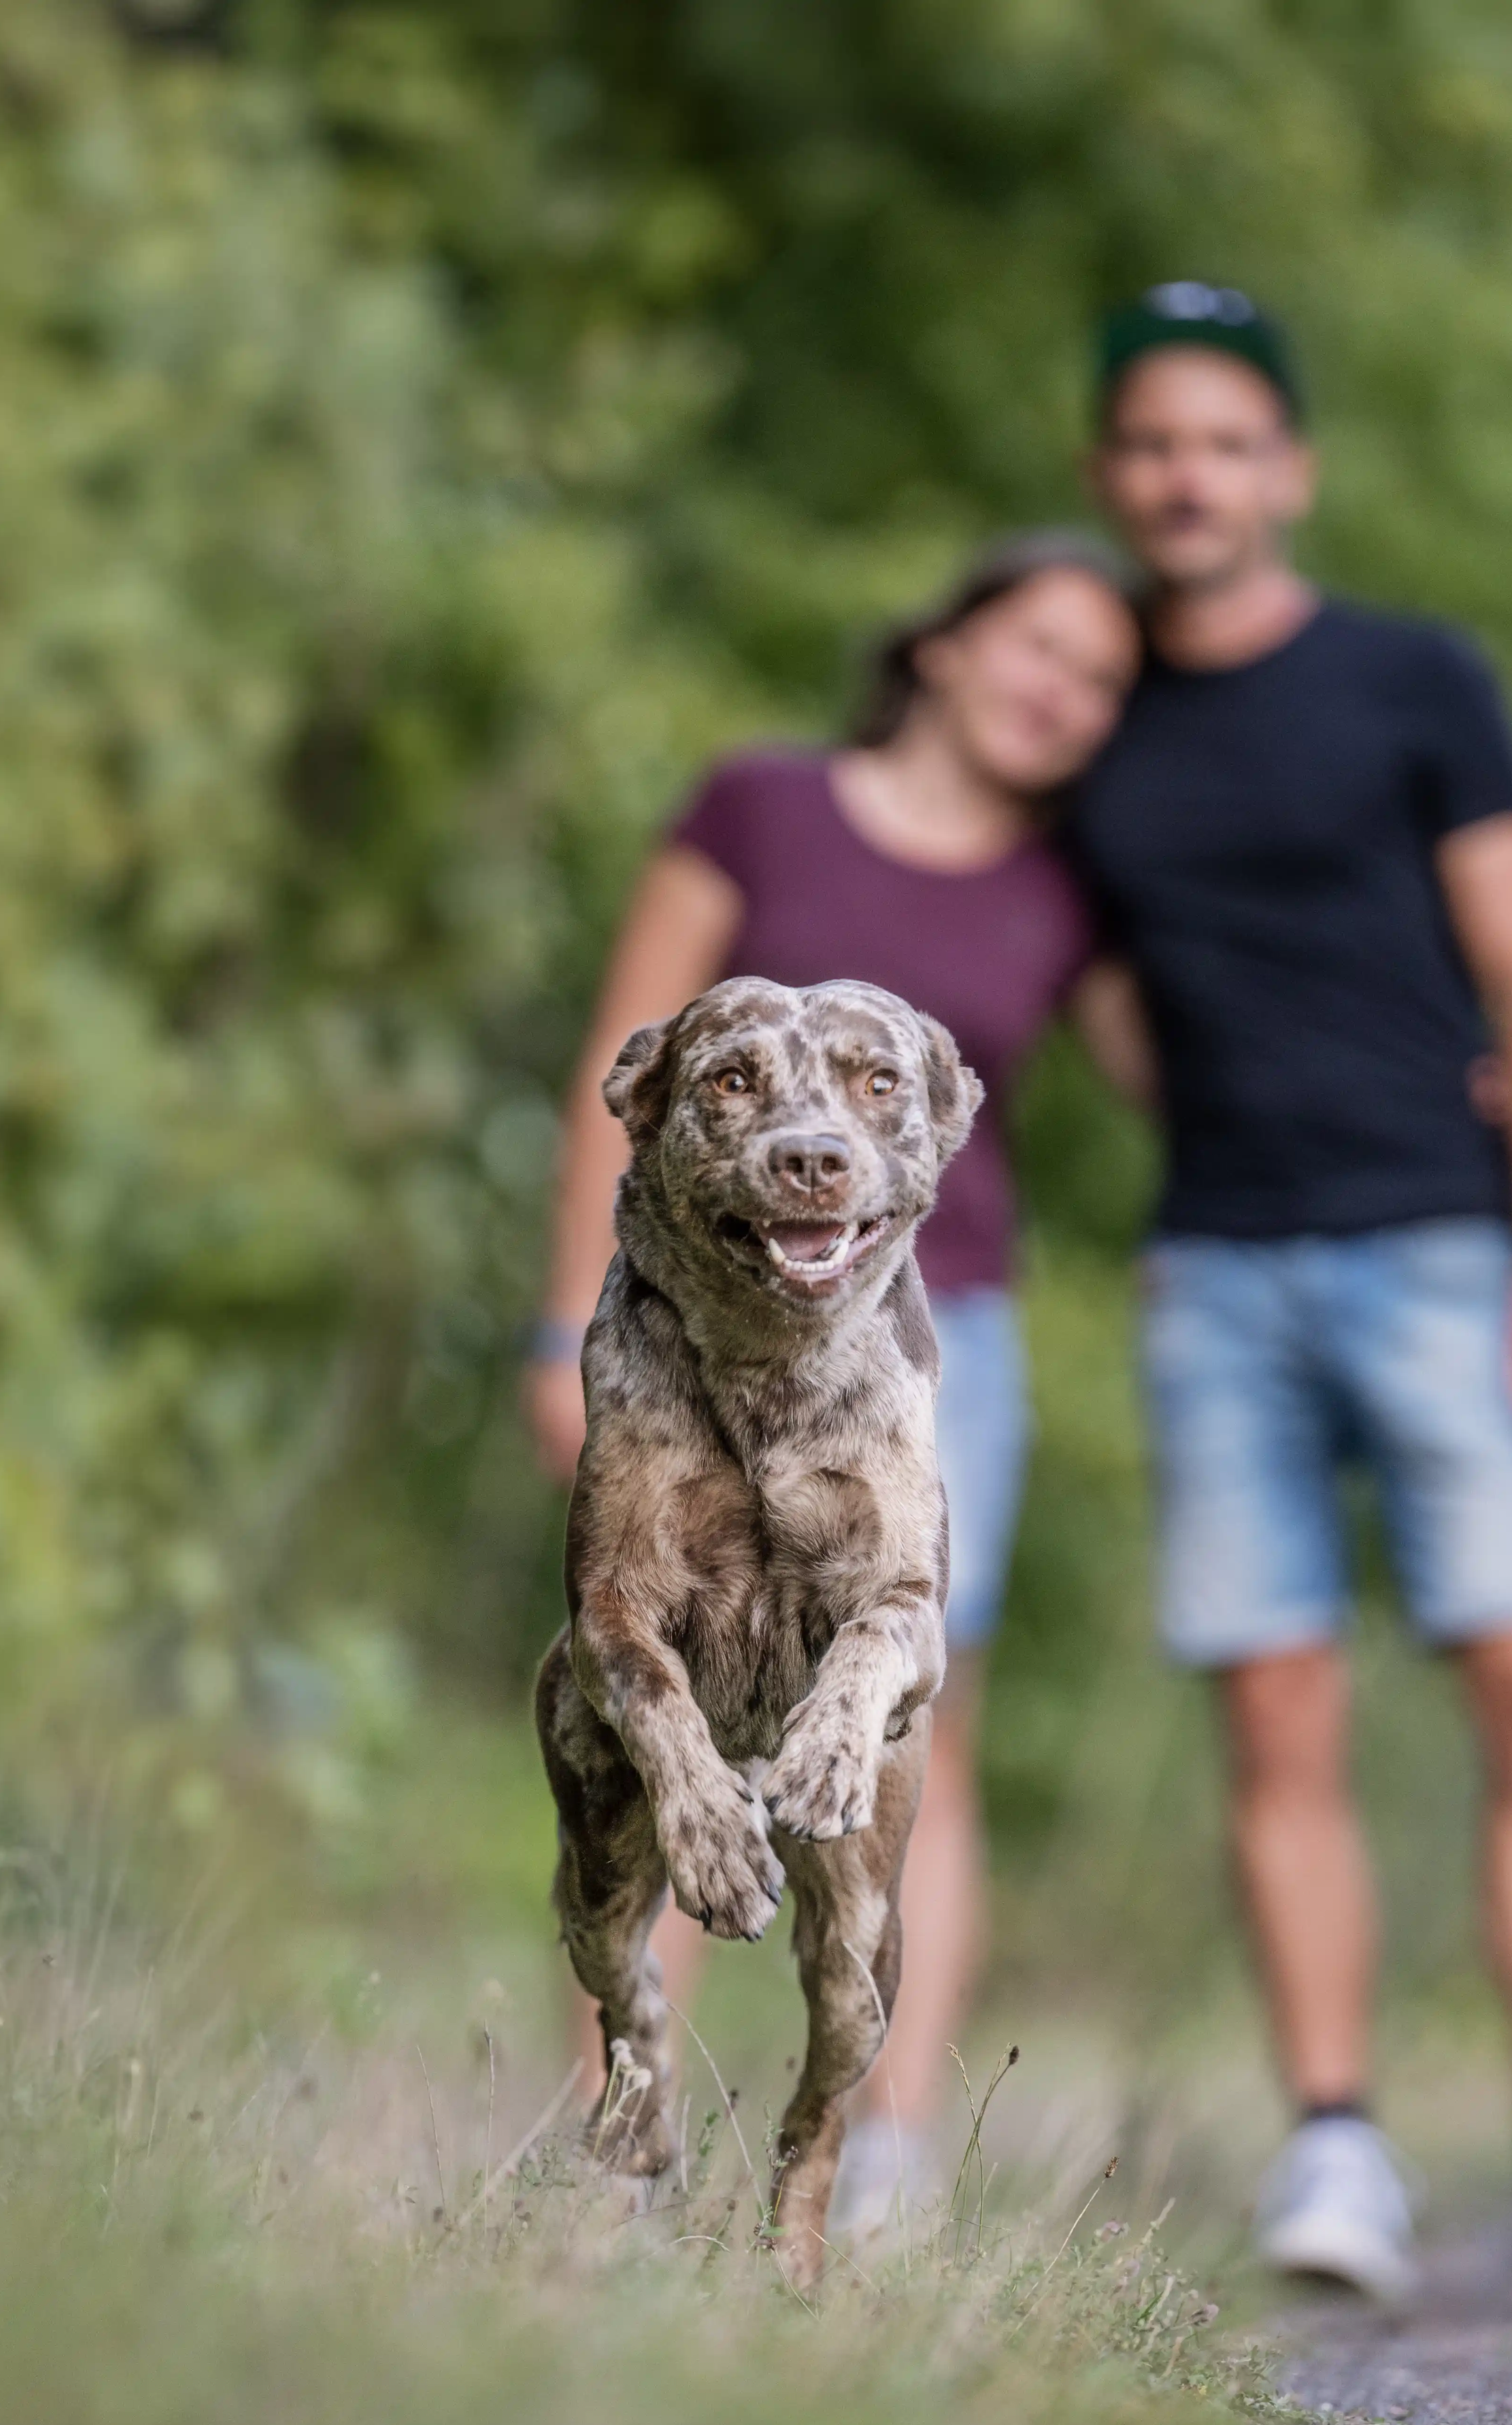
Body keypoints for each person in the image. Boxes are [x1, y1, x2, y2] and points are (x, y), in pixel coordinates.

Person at [1067, 282, 1512, 2297]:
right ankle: (1334, 2157)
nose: (1186, 476)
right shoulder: (1083, 711)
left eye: (1224, 441)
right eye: (1149, 443)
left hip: (1446, 1254)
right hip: (1218, 1270)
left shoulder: (1416, 681)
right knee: (1276, 1723)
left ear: (1289, 471)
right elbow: (1103, 994)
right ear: (1102, 474)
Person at [526, 532, 1153, 2236]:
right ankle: (620, 2139)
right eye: (1035, 645)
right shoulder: (762, 807)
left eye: (1100, 680)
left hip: (937, 1346)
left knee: (908, 1740)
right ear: (942, 642)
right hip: (681, 1335)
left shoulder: (1065, 886)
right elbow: (637, 1057)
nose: (1058, 692)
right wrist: (551, 1329)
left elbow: (1182, 1069)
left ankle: (880, 2146)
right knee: (658, 1716)